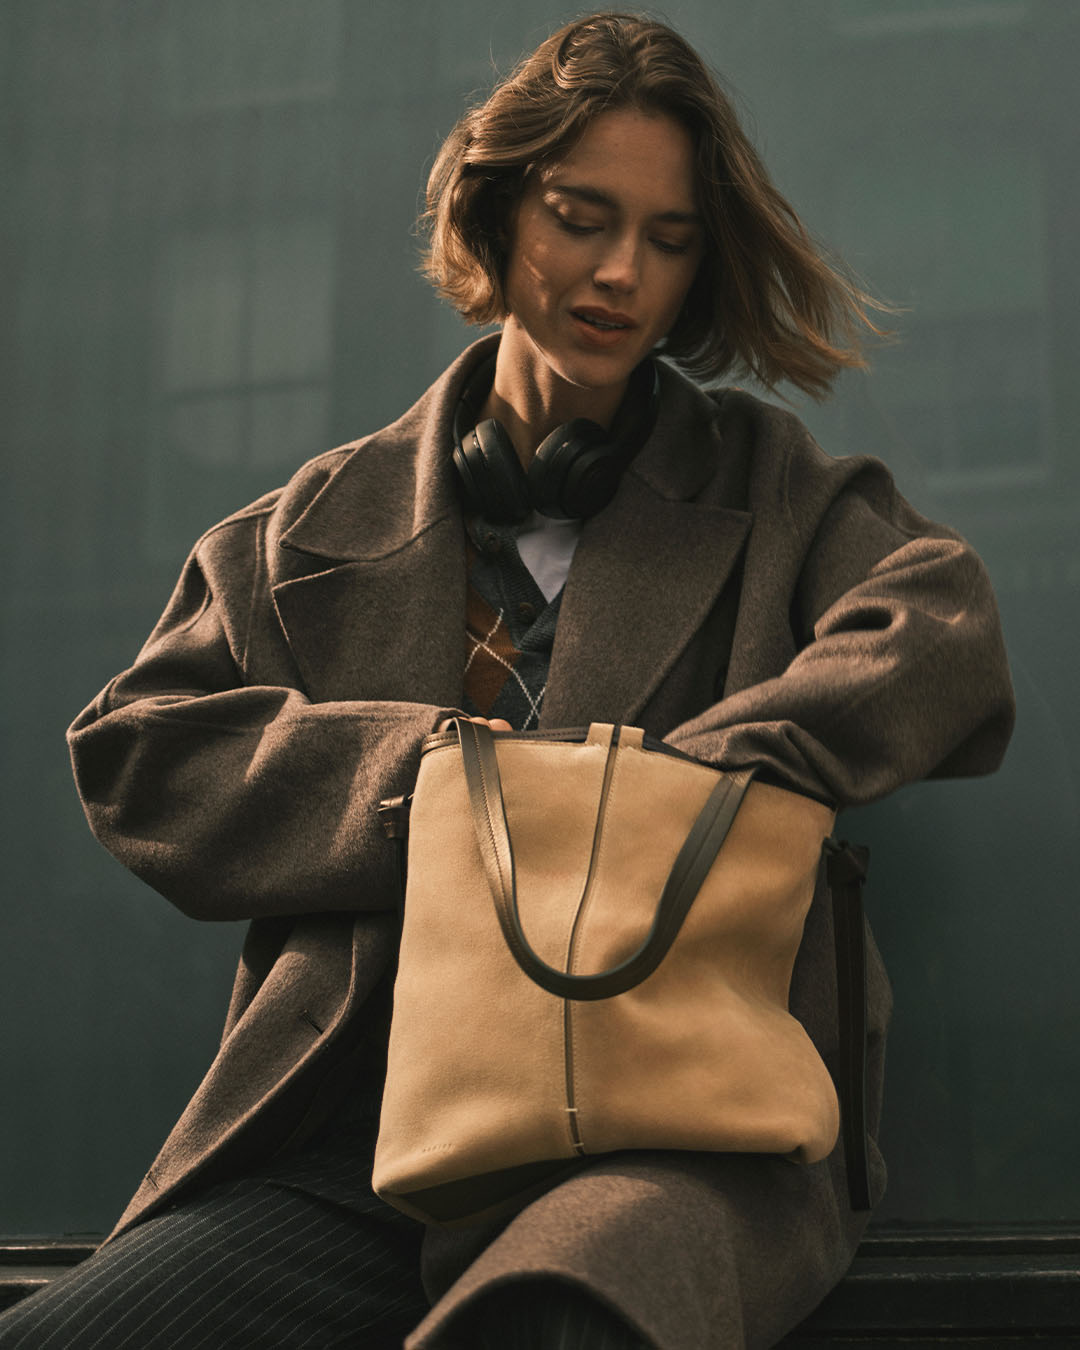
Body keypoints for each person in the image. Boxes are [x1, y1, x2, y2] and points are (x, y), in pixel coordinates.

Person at [0, 12, 1014, 1349]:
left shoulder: (771, 488)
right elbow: (137, 752)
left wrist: (678, 788)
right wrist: (433, 788)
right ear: (496, 213)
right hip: (360, 1145)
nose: (621, 273)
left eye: (669, 239)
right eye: (581, 218)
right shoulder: (310, 527)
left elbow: (943, 629)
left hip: (673, 1133)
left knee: (553, 1317)